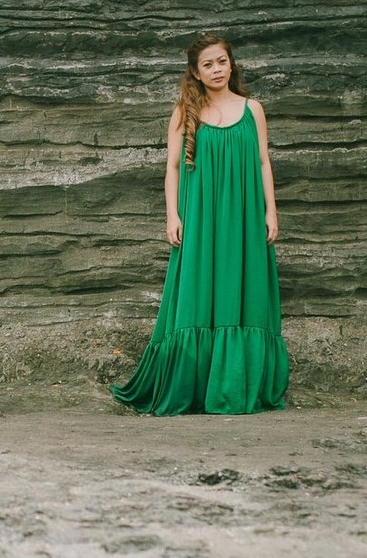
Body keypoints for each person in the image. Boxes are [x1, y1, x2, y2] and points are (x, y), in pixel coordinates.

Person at [110, 32, 288, 416]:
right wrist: (172, 215)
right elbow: (172, 169)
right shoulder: (184, 112)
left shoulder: (252, 109)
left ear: (231, 64)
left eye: (222, 61)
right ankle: (193, 385)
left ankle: (235, 386)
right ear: (195, 71)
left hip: (243, 217)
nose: (217, 69)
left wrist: (270, 212)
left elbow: (262, 163)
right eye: (207, 64)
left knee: (243, 291)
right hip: (200, 216)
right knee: (197, 291)